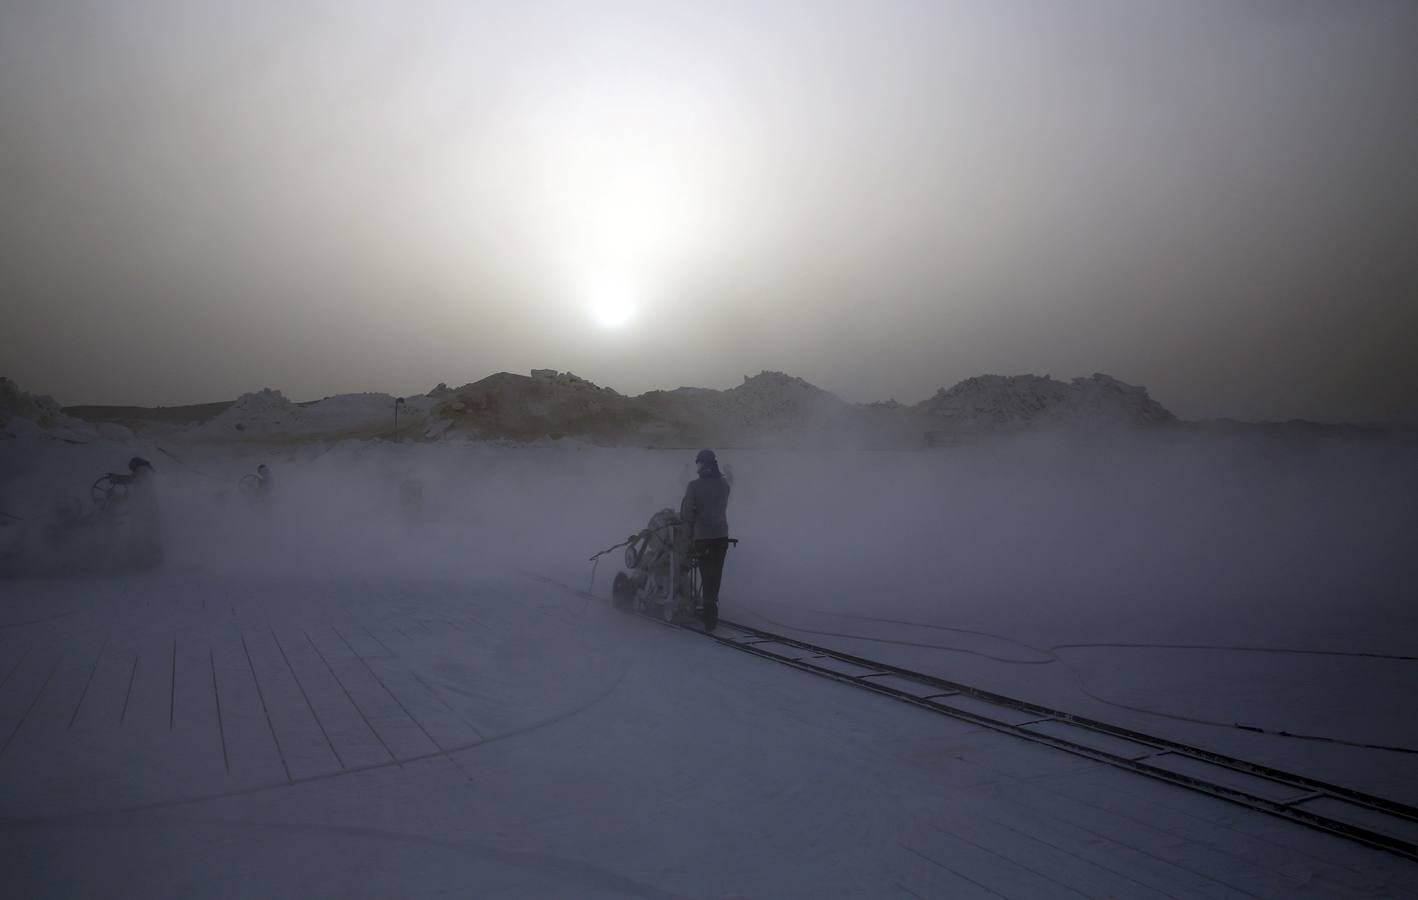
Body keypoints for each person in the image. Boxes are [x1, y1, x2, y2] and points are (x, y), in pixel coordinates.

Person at [680, 448, 731, 631]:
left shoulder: (694, 486)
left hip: (702, 537)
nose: (698, 466)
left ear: (703, 464)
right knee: (715, 575)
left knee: (705, 573)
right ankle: (711, 611)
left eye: (699, 463)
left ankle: (707, 615)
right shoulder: (724, 484)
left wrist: (686, 540)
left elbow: (687, 515)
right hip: (721, 536)